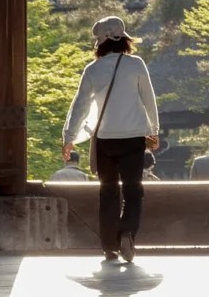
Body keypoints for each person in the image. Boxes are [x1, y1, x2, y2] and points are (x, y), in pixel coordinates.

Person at [62, 15, 160, 263]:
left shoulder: (93, 70)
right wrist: (154, 130)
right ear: (125, 40)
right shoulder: (136, 64)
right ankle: (127, 231)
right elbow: (148, 98)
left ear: (100, 43)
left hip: (105, 139)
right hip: (134, 138)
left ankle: (109, 246)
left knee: (107, 192)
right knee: (133, 190)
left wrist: (69, 138)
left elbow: (80, 107)